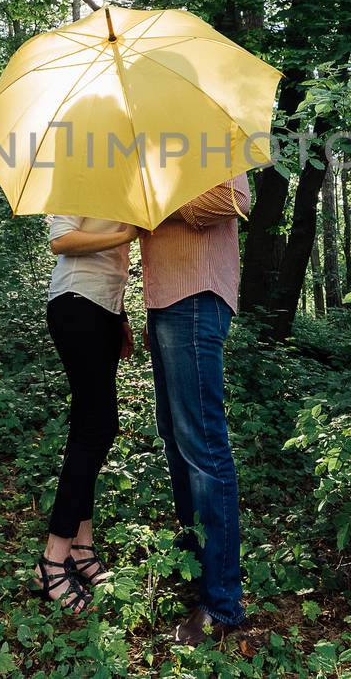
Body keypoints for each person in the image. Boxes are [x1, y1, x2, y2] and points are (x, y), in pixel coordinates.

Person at [140, 173, 251, 646]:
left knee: (203, 448)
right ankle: (194, 563)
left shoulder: (210, 128)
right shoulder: (155, 140)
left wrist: (154, 195)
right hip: (168, 300)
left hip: (196, 295)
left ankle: (221, 603)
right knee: (177, 439)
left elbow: (231, 200)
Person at [32, 213, 139, 613]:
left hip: (103, 310)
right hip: (77, 303)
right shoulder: (78, 167)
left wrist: (120, 316)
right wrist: (128, 231)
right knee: (97, 427)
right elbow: (61, 241)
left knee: (89, 428)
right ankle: (53, 559)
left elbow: (110, 259)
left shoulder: (119, 183)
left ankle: (80, 544)